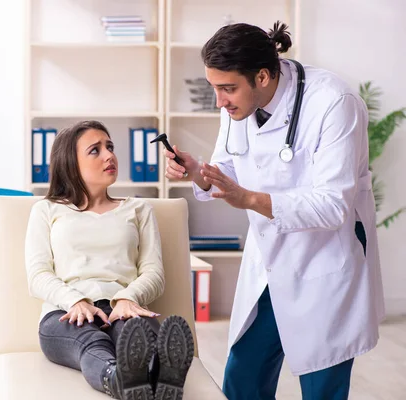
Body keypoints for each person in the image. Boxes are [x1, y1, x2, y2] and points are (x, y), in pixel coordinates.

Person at [164, 21, 385, 400]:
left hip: (324, 264)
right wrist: (199, 172)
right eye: (214, 88)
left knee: (321, 390)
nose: (219, 101)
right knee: (242, 382)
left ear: (262, 76)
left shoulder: (334, 103)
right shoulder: (236, 103)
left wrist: (249, 199)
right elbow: (229, 167)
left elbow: (332, 206)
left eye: (227, 89)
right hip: (268, 262)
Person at [25, 120, 195, 400]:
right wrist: (75, 301)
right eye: (95, 150)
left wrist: (127, 298)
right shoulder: (46, 210)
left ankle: (162, 376)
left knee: (137, 332)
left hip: (124, 306)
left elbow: (154, 272)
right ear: (71, 162)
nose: (109, 155)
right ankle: (120, 380)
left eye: (110, 147)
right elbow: (38, 274)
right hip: (65, 312)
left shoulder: (138, 208)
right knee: (91, 341)